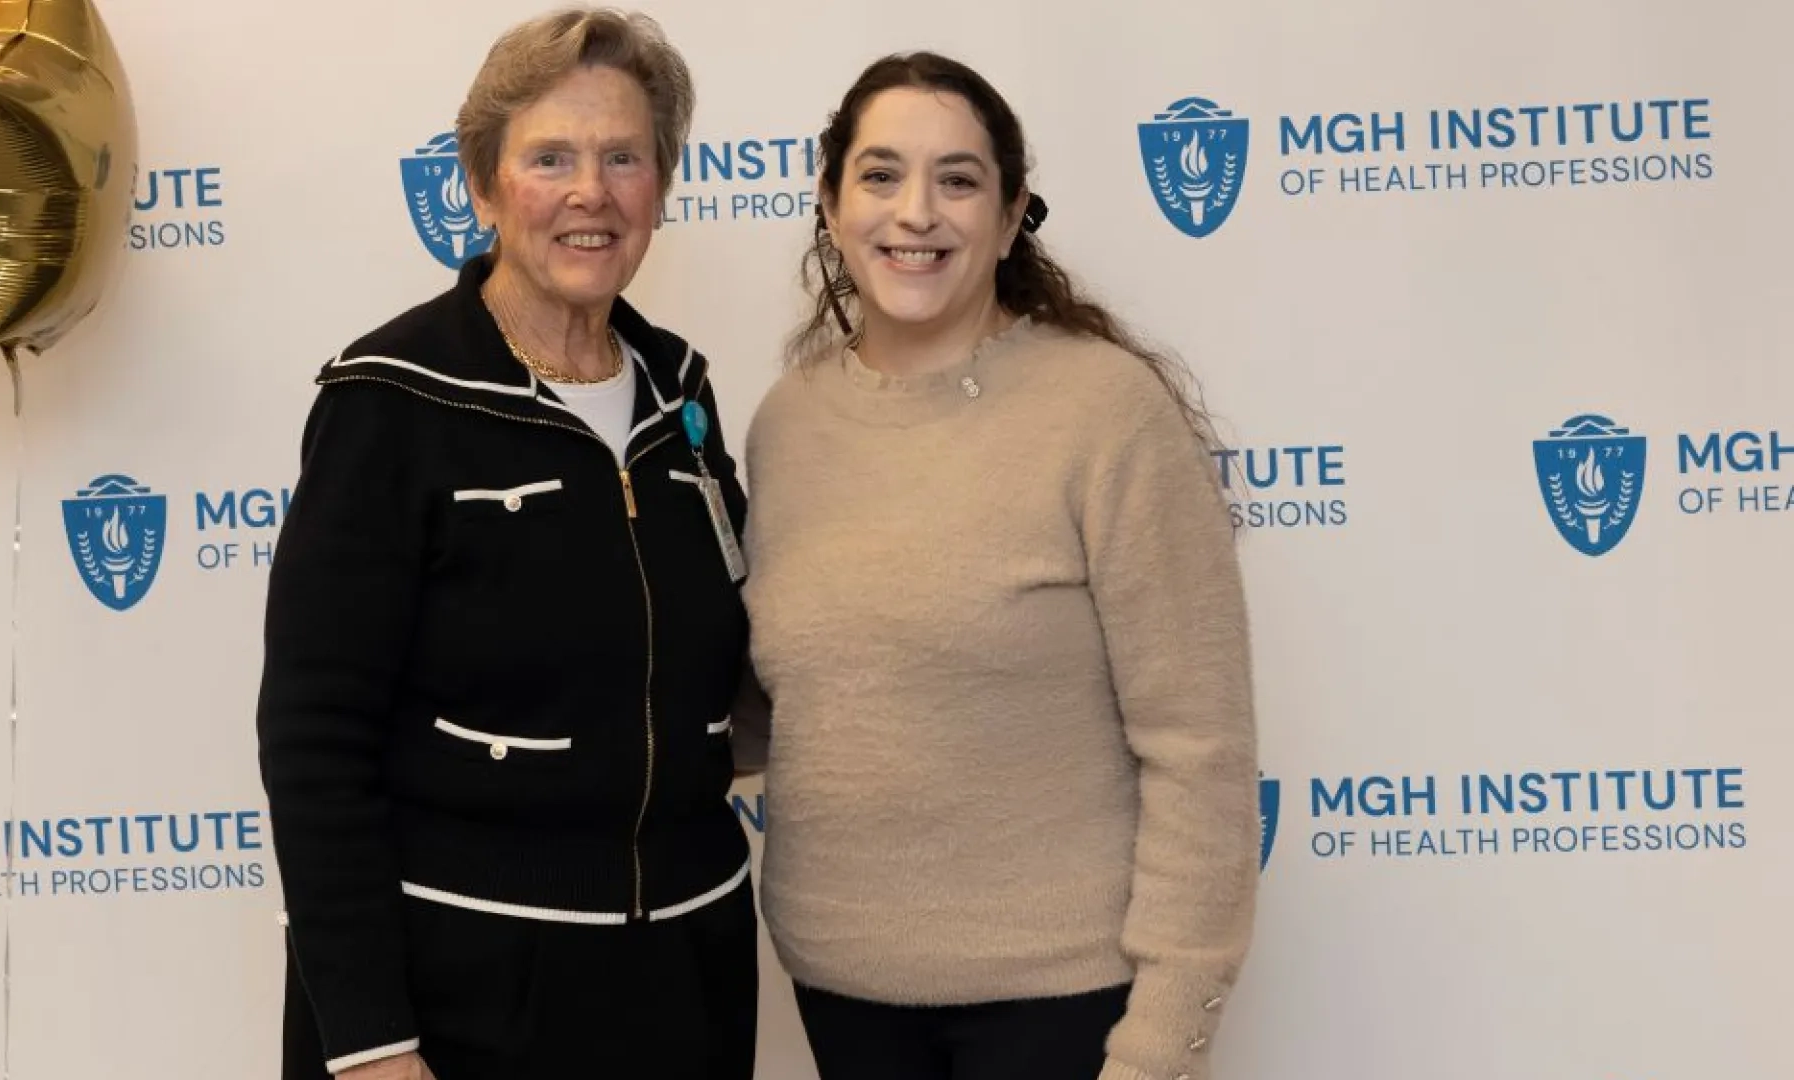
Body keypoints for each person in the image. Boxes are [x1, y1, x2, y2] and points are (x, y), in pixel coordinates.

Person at [255, 9, 758, 1080]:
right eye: (550, 159)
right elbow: (313, 742)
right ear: (482, 189)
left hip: (687, 974)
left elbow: (739, 665)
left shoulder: (686, 395)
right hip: (465, 985)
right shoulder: (388, 403)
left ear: (661, 185)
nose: (592, 192)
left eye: (624, 156)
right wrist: (370, 1041)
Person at [740, 51, 1260, 1080]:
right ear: (832, 203)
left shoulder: (1105, 413)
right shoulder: (787, 422)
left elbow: (1199, 748)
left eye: (959, 179)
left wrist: (1162, 1046)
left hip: (1065, 1008)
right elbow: (790, 697)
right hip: (842, 991)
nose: (916, 212)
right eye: (881, 175)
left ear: (1014, 211)